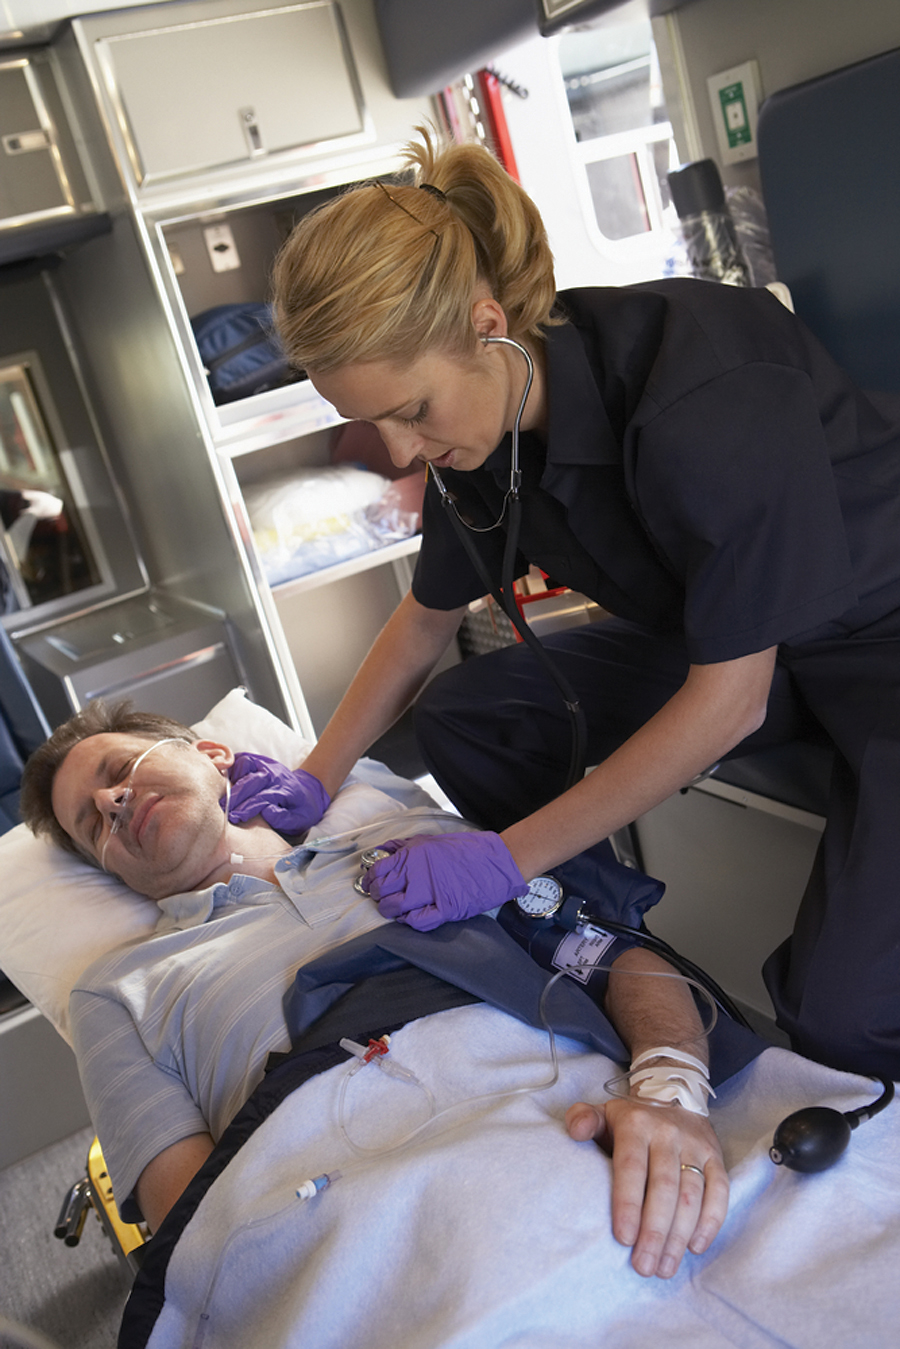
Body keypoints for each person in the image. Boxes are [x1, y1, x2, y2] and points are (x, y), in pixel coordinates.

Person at [270, 127, 900, 1083]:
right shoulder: (480, 437)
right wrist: (312, 780)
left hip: (876, 641)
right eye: (373, 423)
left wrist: (504, 856)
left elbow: (729, 700)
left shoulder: (702, 384)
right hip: (742, 646)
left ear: (487, 324)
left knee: (840, 1016)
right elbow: (425, 623)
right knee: (468, 717)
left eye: (411, 411)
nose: (399, 453)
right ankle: (610, 947)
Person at [18, 698, 759, 1280]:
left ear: (212, 756)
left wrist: (670, 1092)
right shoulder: (117, 993)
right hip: (362, 1209)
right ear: (109, 868)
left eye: (119, 768)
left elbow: (608, 952)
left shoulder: (410, 843)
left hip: (577, 1112)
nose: (113, 801)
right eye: (92, 822)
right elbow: (196, 1228)